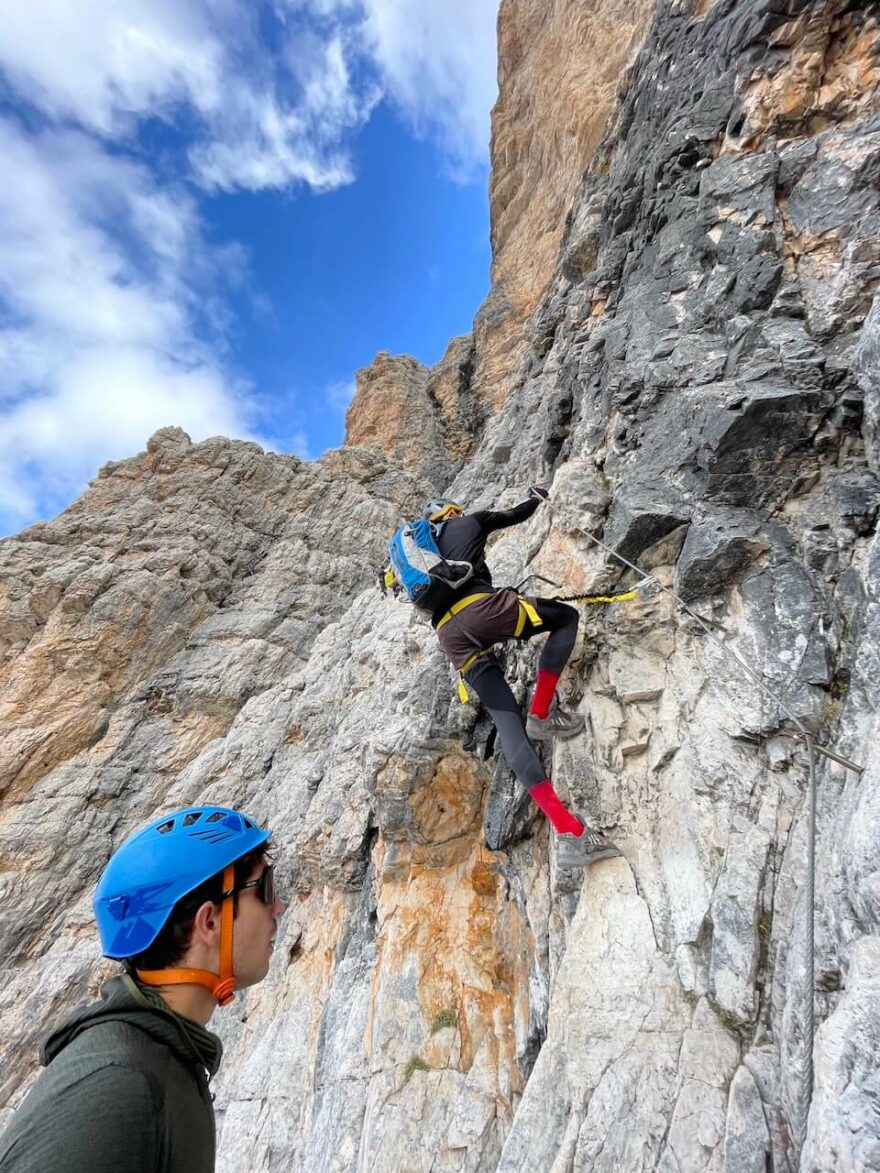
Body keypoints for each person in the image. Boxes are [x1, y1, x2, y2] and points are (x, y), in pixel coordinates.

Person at [0, 805, 285, 1173]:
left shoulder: (163, 1056)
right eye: (264, 889)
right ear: (210, 921)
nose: (278, 906)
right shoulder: (117, 1084)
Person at [427, 491, 620, 867]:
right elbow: (517, 514)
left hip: (450, 636)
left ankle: (570, 832)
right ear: (451, 512)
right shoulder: (469, 522)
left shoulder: (424, 562)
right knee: (565, 618)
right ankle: (543, 713)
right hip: (482, 610)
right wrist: (537, 497)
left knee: (506, 722)